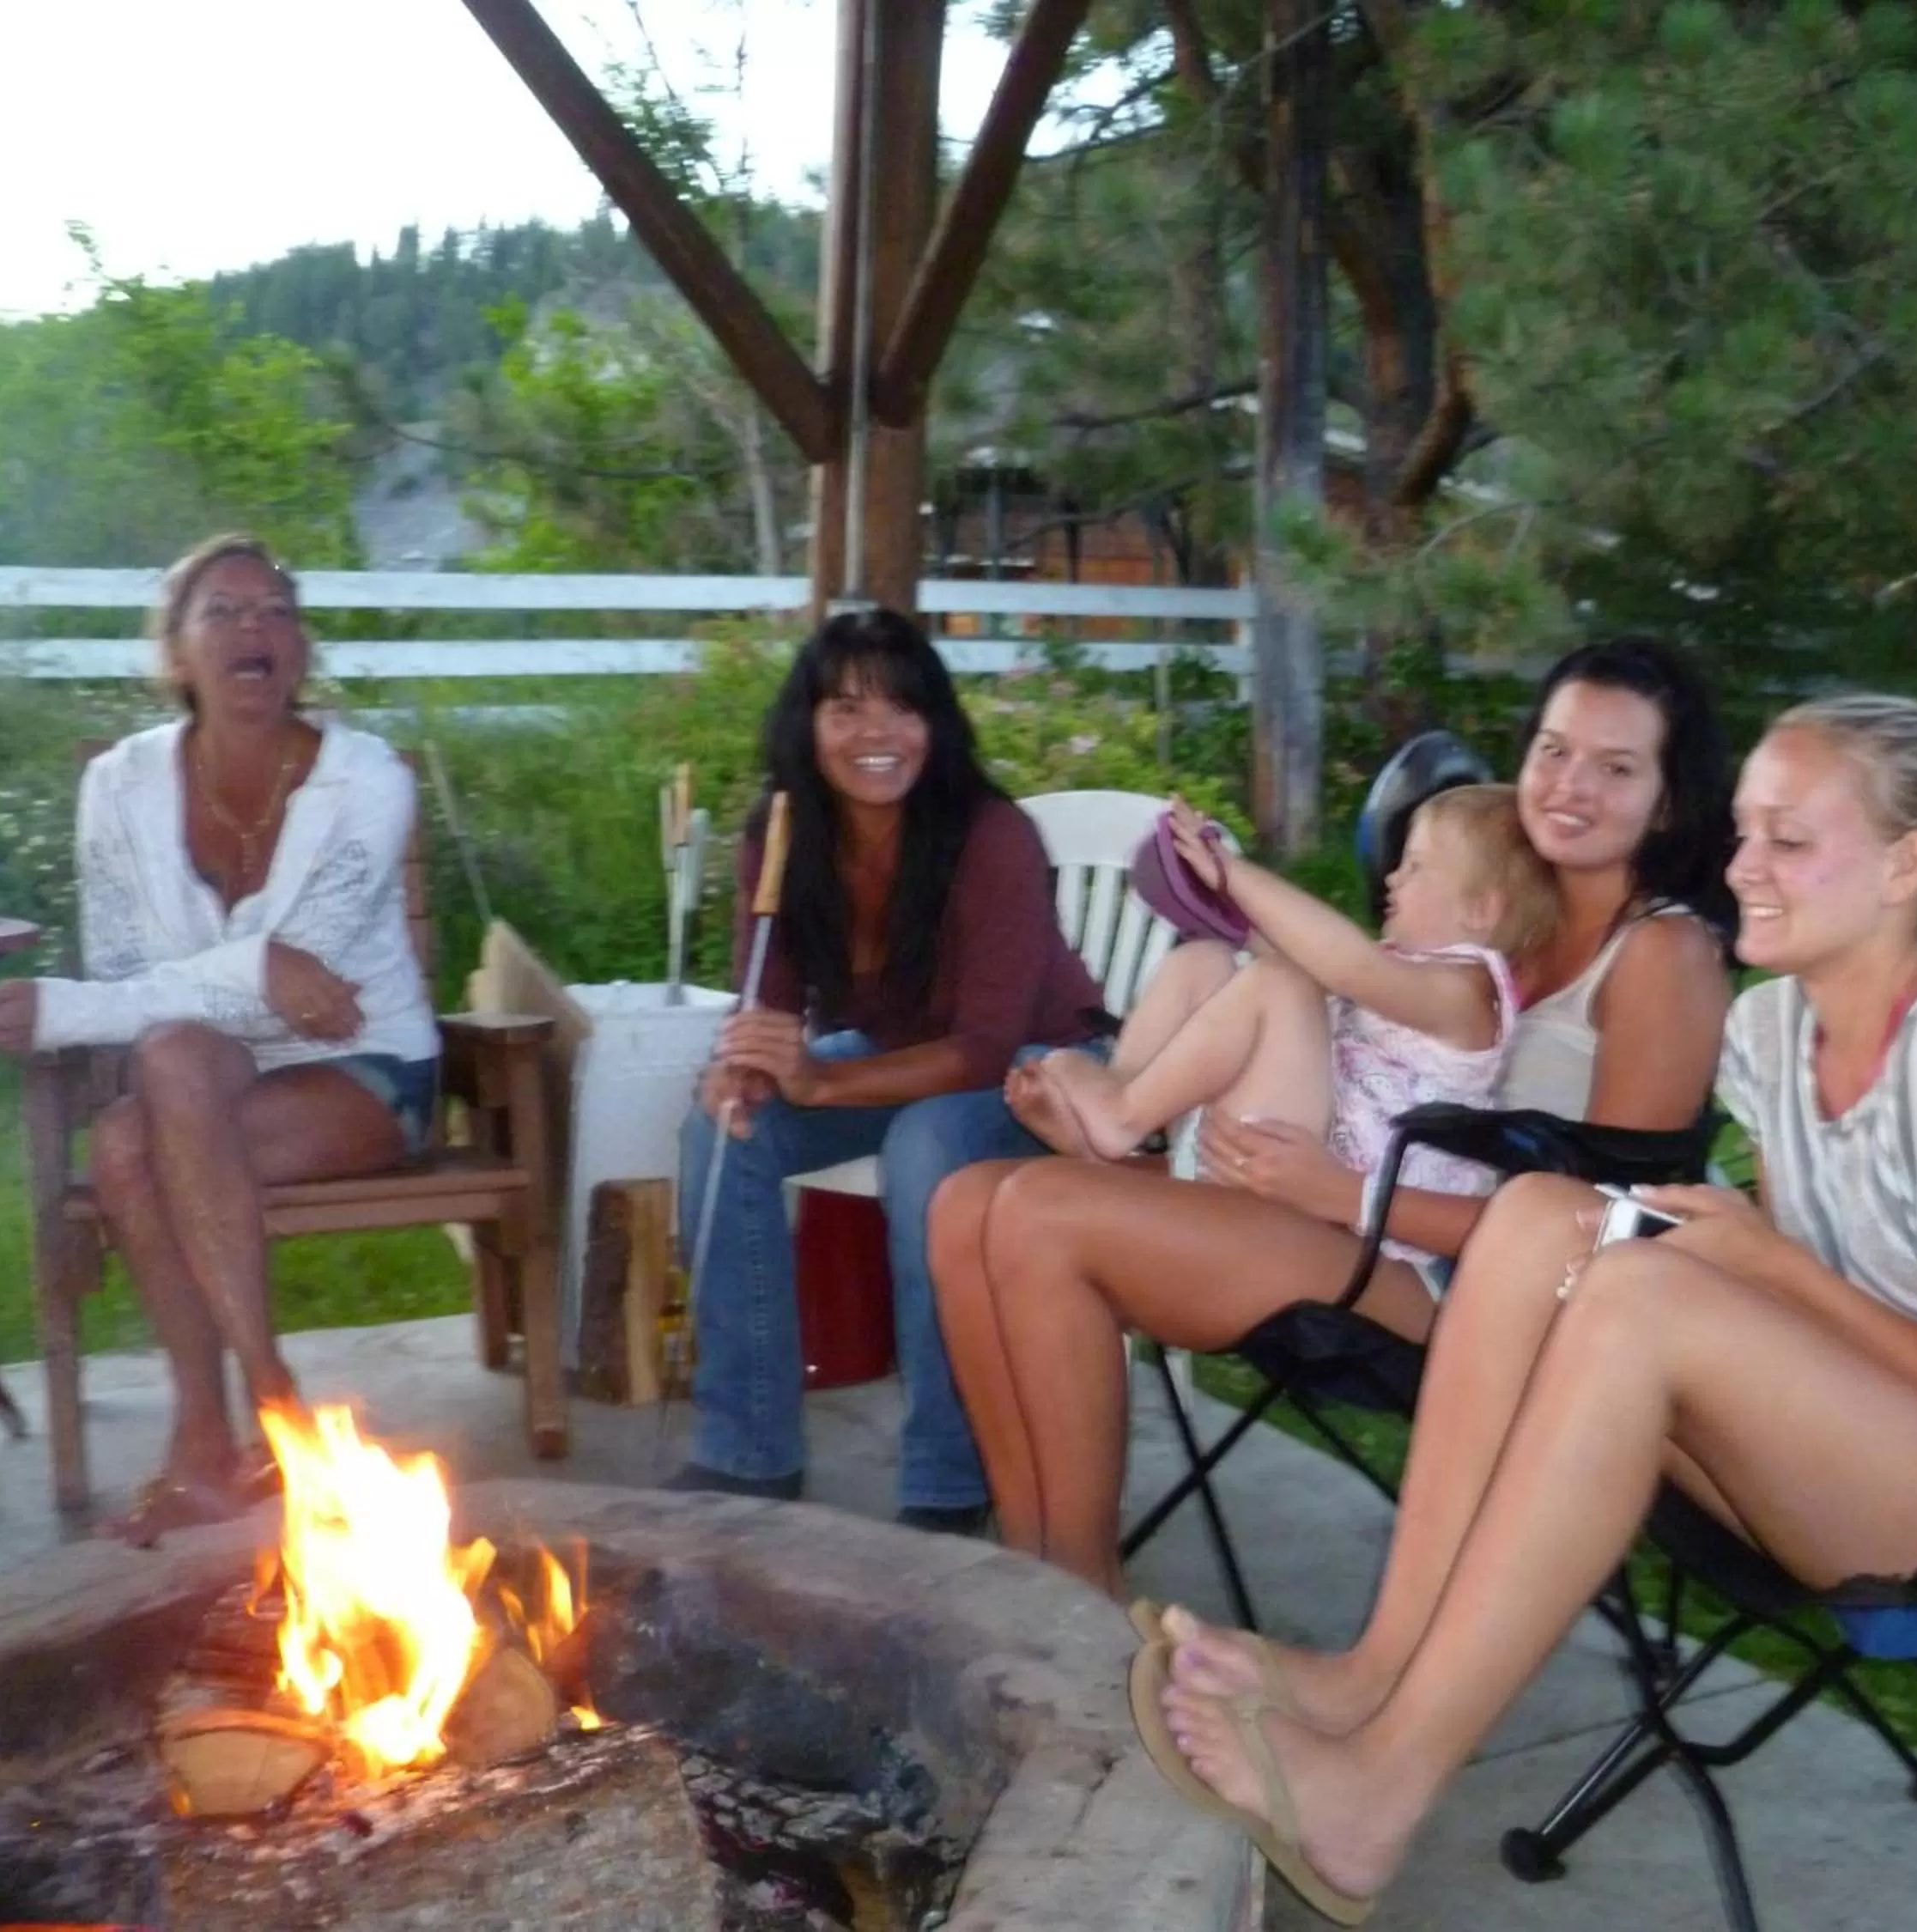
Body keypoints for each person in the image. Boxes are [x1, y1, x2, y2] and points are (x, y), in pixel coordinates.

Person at [1137, 692, 1917, 1925]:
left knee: (1641, 1301)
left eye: (1790, 840)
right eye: (1744, 830)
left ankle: (1379, 1790)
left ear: (1909, 866)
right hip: (1901, 1455)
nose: (1742, 865)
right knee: (1545, 1212)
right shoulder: (1773, 1028)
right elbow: (1809, 1259)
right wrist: (1691, 1242)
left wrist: (1768, 1270)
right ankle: (1374, 1672)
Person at [927, 637, 1738, 1595]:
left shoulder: (1661, 956)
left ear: (1671, 798)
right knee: (969, 1202)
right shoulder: (1498, 907)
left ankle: (1080, 1599)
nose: (1571, 785)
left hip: (1462, 1285)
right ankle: (1035, 1575)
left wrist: (1346, 1194)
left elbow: (1611, 1229)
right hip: (1339, 1200)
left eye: (1617, 766)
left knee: (1037, 1215)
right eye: (1554, 751)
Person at [0, 533, 441, 1545]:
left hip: (362, 1068)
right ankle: (252, 1411)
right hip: (208, 1066)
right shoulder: (119, 788)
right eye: (222, 612)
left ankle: (222, 1426)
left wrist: (79, 1009)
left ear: (300, 651)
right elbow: (143, 981)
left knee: (144, 1126)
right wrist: (258, 972)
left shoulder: (369, 781)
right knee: (168, 1069)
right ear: (177, 654)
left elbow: (315, 997)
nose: (255, 628)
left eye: (276, 611)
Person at [668, 606, 1107, 1530]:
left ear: (935, 725)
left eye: (903, 710)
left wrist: (820, 1082)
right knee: (723, 1128)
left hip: (1045, 1067)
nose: (878, 736)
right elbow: (771, 1000)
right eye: (846, 711)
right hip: (902, 1052)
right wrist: (745, 1067)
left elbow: (986, 1047)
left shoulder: (991, 837)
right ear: (808, 727)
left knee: (927, 1144)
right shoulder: (782, 836)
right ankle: (749, 1451)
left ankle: (950, 1477)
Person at [1016, 785, 1556, 1270]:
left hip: (1324, 1207)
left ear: (1481, 911)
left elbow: (1345, 966)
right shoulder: (1412, 973)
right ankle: (1125, 1112)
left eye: (1415, 867)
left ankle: (1122, 1119)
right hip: (1269, 1151)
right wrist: (1228, 915)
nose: (1393, 877)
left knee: (1281, 984)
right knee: (1205, 959)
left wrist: (1235, 873)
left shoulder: (1467, 996)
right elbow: (1323, 965)